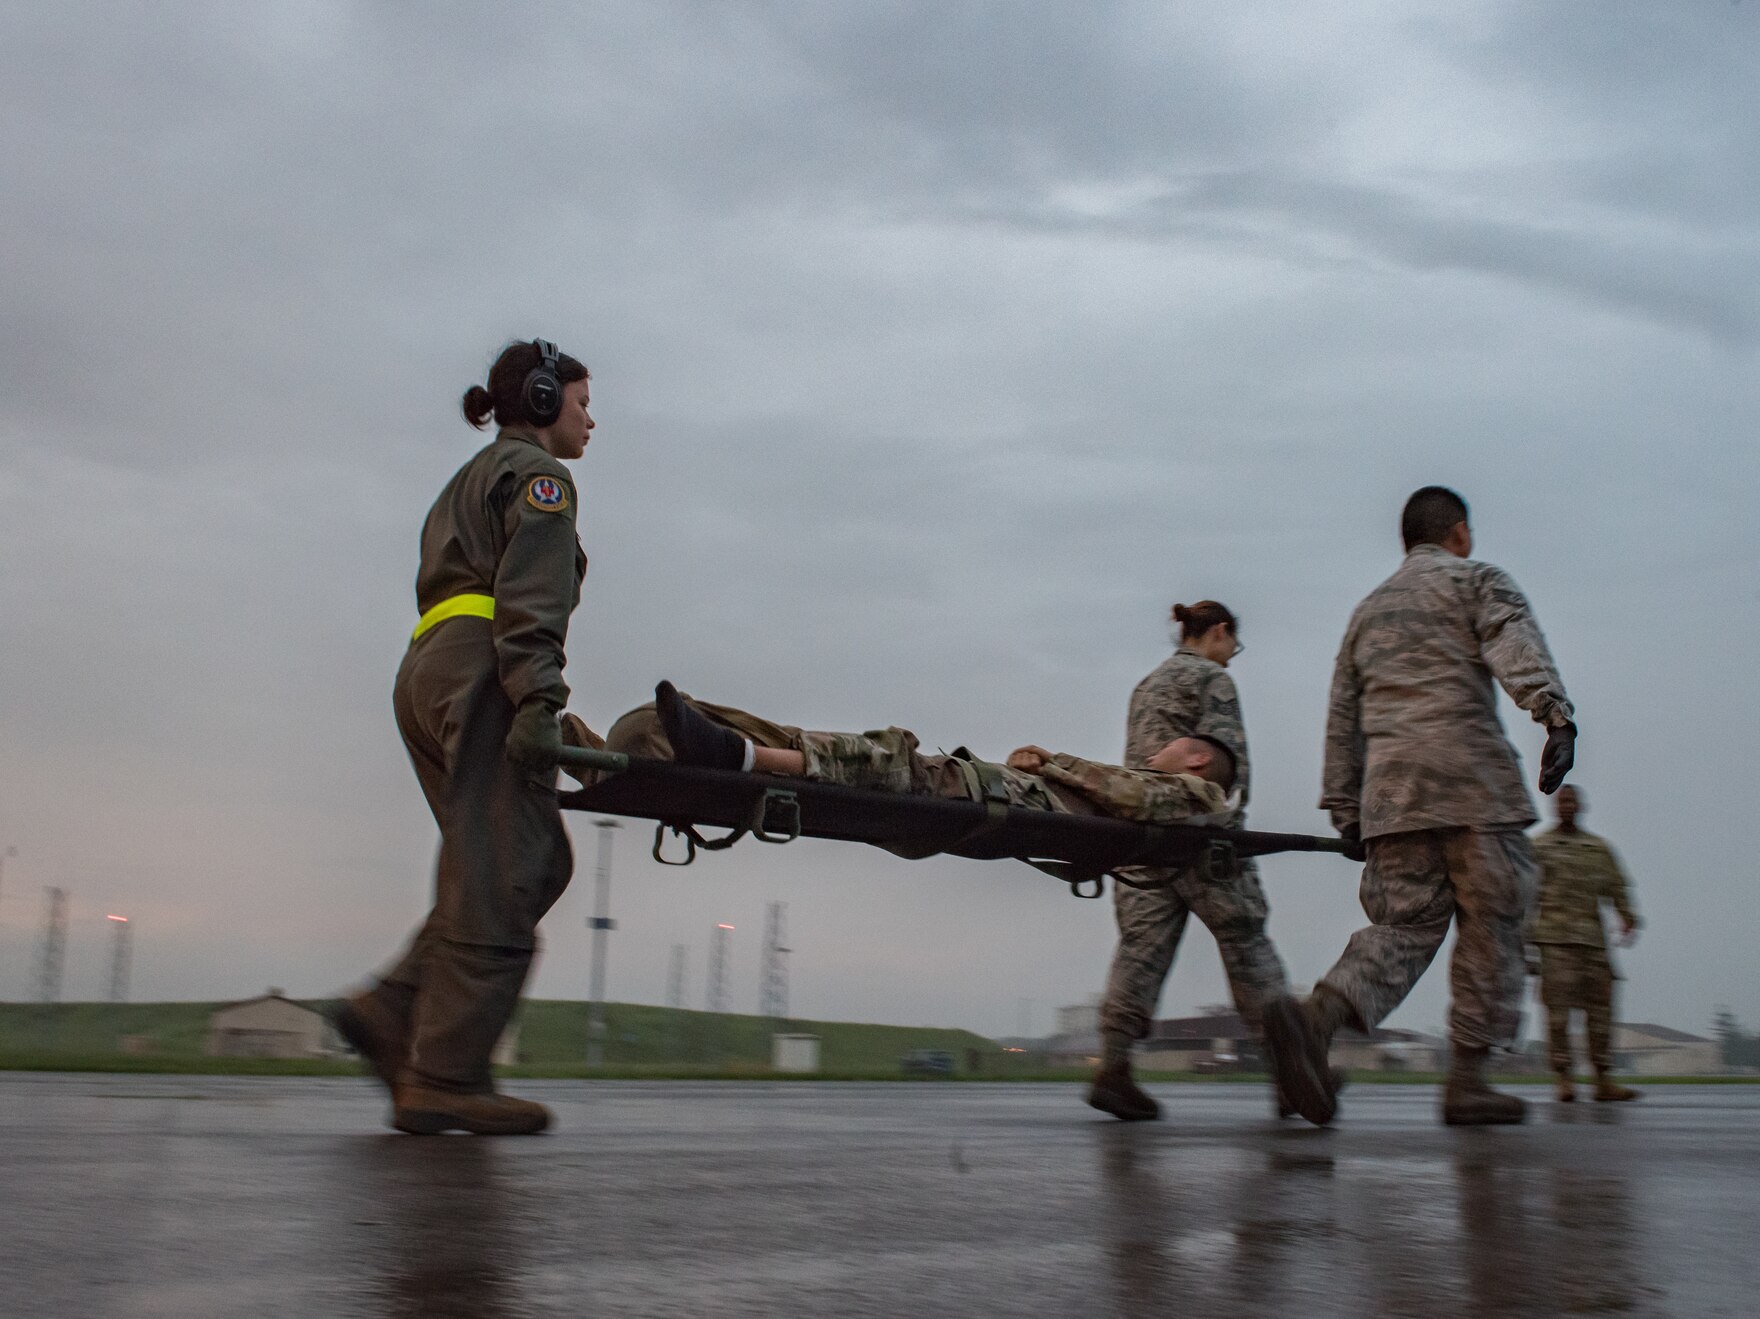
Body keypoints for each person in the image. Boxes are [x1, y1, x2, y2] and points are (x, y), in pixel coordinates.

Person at [334, 339, 593, 1136]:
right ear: (545, 401)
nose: (592, 419)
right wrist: (538, 704)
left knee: (506, 860)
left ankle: (394, 1008)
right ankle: (443, 1074)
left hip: (428, 671)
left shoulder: (465, 480)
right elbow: (530, 599)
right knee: (512, 866)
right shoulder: (543, 478)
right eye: (583, 402)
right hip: (483, 673)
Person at [1264, 486, 1578, 1127]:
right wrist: (1555, 716)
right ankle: (1468, 1080)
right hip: (1472, 787)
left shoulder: (1367, 612)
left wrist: (1344, 807)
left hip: (1392, 797)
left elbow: (1342, 714)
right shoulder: (1474, 580)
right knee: (1494, 926)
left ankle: (1313, 1023)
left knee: (1401, 928)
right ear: (1458, 533)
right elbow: (1511, 640)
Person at [1089, 601, 1291, 1123]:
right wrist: (1233, 831)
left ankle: (1113, 1069)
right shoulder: (1211, 680)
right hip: (1201, 842)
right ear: (1219, 633)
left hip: (1140, 840)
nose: (1231, 659)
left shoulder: (1146, 685)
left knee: (1139, 952)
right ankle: (1293, 1075)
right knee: (1248, 944)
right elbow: (1226, 764)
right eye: (1233, 647)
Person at [568, 681, 1238, 825]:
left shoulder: (1196, 794)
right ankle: (627, 751)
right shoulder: (1185, 786)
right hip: (988, 784)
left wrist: (1054, 763)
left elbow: (1125, 795)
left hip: (983, 792)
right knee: (809, 741)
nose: (1162, 744)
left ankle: (739, 757)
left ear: (1199, 759)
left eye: (1175, 742)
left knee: (888, 755)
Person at [1531, 785, 1642, 1103]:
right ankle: (1564, 1079)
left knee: (1601, 1012)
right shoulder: (1539, 847)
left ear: (1582, 807)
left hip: (1593, 943)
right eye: (1561, 801)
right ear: (1554, 807)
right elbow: (1524, 895)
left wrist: (1627, 916)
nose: (1567, 806)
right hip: (1555, 943)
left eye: (1572, 801)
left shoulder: (1598, 849)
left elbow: (1616, 886)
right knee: (1558, 1016)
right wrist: (1523, 942)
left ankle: (1602, 1078)